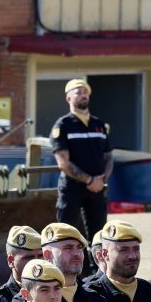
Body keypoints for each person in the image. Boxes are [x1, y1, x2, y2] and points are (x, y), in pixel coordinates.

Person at [51, 78, 114, 242]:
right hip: (72, 188)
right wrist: (89, 180)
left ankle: (96, 268)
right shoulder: (63, 125)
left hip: (97, 189)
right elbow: (63, 162)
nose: (83, 95)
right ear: (68, 98)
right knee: (67, 236)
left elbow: (108, 157)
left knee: (99, 239)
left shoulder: (99, 124)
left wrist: (101, 180)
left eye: (86, 92)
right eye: (78, 92)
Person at [0, 225, 45, 302]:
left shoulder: (56, 294)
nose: (36, 262)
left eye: (40, 256)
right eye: (29, 257)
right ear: (11, 261)